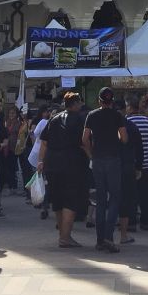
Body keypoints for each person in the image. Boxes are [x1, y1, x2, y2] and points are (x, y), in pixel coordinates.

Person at [38, 92, 89, 248]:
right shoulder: (80, 119)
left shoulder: (53, 118)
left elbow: (44, 142)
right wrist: (92, 157)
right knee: (71, 201)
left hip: (52, 163)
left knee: (58, 201)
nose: (81, 105)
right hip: (72, 164)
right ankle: (65, 237)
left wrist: (40, 161)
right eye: (79, 102)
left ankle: (63, 236)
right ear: (75, 104)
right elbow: (84, 143)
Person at [81, 87, 127, 252]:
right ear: (112, 101)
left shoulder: (92, 115)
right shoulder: (117, 115)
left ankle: (100, 239)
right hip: (113, 159)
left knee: (100, 200)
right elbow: (124, 138)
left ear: (99, 101)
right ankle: (108, 236)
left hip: (98, 160)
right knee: (114, 197)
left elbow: (84, 139)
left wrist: (91, 154)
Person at [125, 95, 148, 232]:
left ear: (129, 107)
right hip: (147, 163)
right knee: (145, 195)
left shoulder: (126, 122)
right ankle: (146, 222)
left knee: (131, 195)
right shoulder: (147, 121)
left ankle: (132, 222)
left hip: (131, 163)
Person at [115, 101, 142, 246]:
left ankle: (108, 234)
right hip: (127, 166)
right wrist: (139, 167)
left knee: (113, 199)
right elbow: (139, 149)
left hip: (111, 166)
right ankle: (124, 233)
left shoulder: (107, 127)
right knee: (126, 199)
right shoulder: (131, 127)